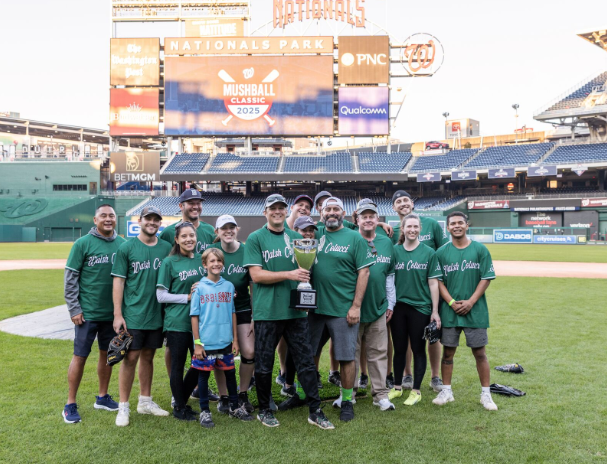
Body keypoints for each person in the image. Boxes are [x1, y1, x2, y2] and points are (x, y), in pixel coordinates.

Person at [243, 194, 334, 430]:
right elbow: (256, 275)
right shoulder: (255, 238)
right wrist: (289, 275)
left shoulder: (296, 238)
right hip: (267, 311)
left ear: (286, 211)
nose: (277, 211)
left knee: (305, 362)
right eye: (272, 208)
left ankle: (315, 410)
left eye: (281, 208)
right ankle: (264, 410)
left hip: (295, 311)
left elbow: (307, 267)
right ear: (265, 212)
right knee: (264, 364)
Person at [308, 196, 375, 422]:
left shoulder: (354, 238)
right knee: (310, 353)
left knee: (346, 357)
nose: (332, 212)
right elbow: (291, 228)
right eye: (328, 209)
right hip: (315, 309)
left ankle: (347, 401)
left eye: (336, 209)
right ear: (321, 213)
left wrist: (356, 306)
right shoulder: (315, 234)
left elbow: (364, 272)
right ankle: (309, 397)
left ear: (343, 214)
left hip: (343, 309)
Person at [62, 204, 126, 423]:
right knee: (80, 356)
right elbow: (70, 278)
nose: (108, 219)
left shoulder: (122, 245)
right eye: (103, 216)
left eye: (111, 216)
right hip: (87, 313)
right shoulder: (82, 244)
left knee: (107, 356)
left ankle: (102, 397)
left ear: (116, 219)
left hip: (112, 315)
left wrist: (121, 312)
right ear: (95, 220)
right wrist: (74, 308)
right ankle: (70, 403)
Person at [159, 188, 223, 403]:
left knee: (202, 357)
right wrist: (185, 297)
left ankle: (187, 393)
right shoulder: (168, 237)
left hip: (202, 317)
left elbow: (215, 265)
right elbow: (164, 284)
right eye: (190, 202)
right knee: (176, 358)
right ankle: (177, 396)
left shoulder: (207, 235)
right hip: (177, 316)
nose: (195, 206)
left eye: (198, 202)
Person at [111, 206, 172, 427]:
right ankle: (123, 406)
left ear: (160, 223)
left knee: (148, 356)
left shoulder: (166, 248)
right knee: (130, 358)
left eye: (156, 219)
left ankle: (145, 401)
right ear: (140, 220)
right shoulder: (127, 247)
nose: (152, 222)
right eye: (148, 218)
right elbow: (119, 281)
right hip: (134, 313)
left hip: (157, 313)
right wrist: (118, 314)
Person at [432, 211, 498, 411]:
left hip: (475, 311)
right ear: (448, 227)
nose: (457, 226)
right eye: (453, 223)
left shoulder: (480, 249)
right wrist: (452, 302)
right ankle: (446, 391)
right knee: (448, 353)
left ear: (467, 225)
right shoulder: (441, 253)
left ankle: (486, 394)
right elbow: (438, 281)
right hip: (449, 311)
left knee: (480, 353)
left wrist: (470, 302)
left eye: (460, 222)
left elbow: (486, 278)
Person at [390, 190, 449, 392]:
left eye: (406, 200)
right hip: (400, 304)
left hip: (423, 301)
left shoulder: (430, 232)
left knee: (427, 340)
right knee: (401, 345)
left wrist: (436, 308)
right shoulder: (394, 244)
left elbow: (442, 257)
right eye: (398, 201)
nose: (413, 229)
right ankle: (403, 378)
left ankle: (434, 378)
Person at [190, 248, 253, 428]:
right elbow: (194, 316)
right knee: (203, 376)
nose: (216, 264)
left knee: (230, 374)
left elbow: (233, 313)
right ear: (204, 264)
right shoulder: (199, 288)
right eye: (212, 261)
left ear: (223, 264)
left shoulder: (229, 286)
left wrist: (235, 340)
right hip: (206, 342)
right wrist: (197, 343)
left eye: (219, 261)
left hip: (225, 340)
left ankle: (234, 407)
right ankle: (205, 411)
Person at [156, 221, 203, 422]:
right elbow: (161, 296)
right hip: (177, 321)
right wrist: (187, 297)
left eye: (191, 235)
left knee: (201, 362)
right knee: (178, 365)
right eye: (184, 236)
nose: (188, 239)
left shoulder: (202, 259)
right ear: (176, 239)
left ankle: (180, 400)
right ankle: (180, 407)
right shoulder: (169, 262)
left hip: (200, 323)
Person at [209, 215, 255, 414]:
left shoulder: (246, 251)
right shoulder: (212, 252)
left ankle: (242, 393)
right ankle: (224, 396)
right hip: (219, 312)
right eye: (223, 228)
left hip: (243, 309)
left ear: (237, 229)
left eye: (231, 227)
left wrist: (254, 315)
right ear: (217, 232)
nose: (228, 231)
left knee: (249, 352)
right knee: (220, 352)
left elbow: (253, 286)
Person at [353, 201, 395, 411]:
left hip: (378, 307)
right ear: (357, 220)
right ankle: (348, 393)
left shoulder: (386, 242)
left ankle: (380, 395)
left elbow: (389, 275)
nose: (368, 220)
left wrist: (390, 303)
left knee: (379, 352)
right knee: (351, 353)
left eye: (372, 216)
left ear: (378, 219)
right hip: (353, 308)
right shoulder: (351, 239)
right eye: (364, 216)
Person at [278, 215, 320, 409]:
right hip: (292, 302)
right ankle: (288, 384)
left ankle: (304, 388)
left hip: (313, 302)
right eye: (304, 230)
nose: (308, 233)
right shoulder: (290, 249)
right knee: (294, 346)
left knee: (306, 348)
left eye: (311, 230)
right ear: (295, 231)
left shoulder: (314, 248)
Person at [277, 194, 314, 386]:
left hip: (304, 295)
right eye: (300, 204)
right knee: (280, 340)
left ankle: (293, 380)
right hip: (280, 296)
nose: (304, 208)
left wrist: (381, 225)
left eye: (308, 206)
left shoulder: (311, 237)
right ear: (291, 207)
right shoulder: (280, 229)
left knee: (299, 341)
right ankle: (283, 373)